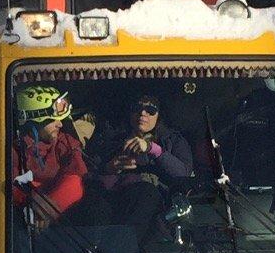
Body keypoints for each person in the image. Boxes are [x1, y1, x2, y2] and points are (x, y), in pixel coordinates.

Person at [85, 93, 191, 238]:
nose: (143, 113)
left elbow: (183, 174)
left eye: (150, 110)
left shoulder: (173, 140)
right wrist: (109, 168)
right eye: (137, 108)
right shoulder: (112, 138)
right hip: (113, 198)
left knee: (146, 194)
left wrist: (152, 148)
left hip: (153, 207)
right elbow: (89, 169)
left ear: (159, 115)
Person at [10, 84, 87, 227]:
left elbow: (75, 180)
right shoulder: (12, 149)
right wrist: (30, 207)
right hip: (21, 224)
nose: (60, 124)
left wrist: (44, 211)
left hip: (65, 226)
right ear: (33, 121)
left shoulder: (64, 143)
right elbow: (8, 187)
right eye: (52, 120)